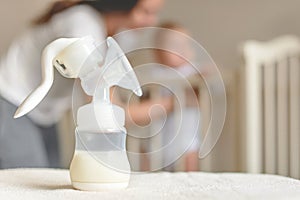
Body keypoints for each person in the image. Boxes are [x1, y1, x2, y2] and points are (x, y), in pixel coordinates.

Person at [0, 0, 164, 169]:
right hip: (11, 100)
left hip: (44, 113)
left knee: (49, 175)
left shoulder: (114, 35)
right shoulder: (83, 22)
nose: (152, 21)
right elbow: (105, 102)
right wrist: (171, 104)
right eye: (146, 12)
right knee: (27, 180)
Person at [153, 22, 201, 171]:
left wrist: (204, 77)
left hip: (187, 138)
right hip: (158, 137)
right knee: (150, 167)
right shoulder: (154, 73)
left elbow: (207, 89)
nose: (182, 50)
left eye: (186, 45)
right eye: (174, 45)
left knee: (190, 171)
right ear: (158, 51)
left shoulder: (192, 72)